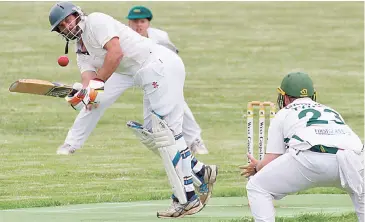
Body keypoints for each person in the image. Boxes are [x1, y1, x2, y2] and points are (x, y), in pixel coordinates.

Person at [48, 2, 216, 218]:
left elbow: (115, 54)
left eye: (67, 20)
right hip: (148, 73)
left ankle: (187, 199)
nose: (66, 26)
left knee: (166, 135)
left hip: (159, 66)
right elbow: (88, 78)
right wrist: (83, 94)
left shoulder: (97, 21)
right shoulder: (80, 49)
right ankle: (201, 172)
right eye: (61, 26)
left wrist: (96, 84)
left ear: (77, 15)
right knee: (158, 134)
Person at [240, 72, 364, 222]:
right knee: (361, 194)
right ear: (313, 95)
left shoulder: (284, 113)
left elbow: (270, 161)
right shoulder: (331, 111)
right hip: (354, 157)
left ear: (285, 97)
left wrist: (257, 167)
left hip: (310, 157)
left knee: (257, 187)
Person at [126, 5, 208, 155]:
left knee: (178, 103)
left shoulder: (160, 37)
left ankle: (194, 141)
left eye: (142, 21)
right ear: (128, 23)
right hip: (142, 76)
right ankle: (155, 135)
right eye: (135, 21)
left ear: (148, 23)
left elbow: (173, 54)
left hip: (165, 74)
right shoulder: (125, 38)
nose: (138, 25)